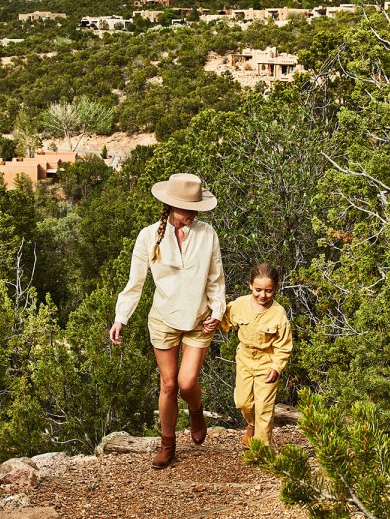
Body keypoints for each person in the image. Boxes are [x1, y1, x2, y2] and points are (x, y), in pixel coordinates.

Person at [109, 173, 226, 469]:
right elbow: (135, 282)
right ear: (170, 206)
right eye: (186, 207)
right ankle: (168, 444)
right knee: (169, 383)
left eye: (195, 208)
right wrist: (121, 317)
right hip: (163, 319)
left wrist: (216, 312)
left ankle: (196, 410)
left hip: (199, 319)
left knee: (187, 384)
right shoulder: (149, 236)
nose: (191, 213)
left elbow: (215, 279)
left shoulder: (207, 233)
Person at [219, 262, 293, 448]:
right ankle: (251, 425)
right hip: (244, 359)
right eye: (258, 289)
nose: (263, 295)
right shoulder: (239, 305)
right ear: (250, 285)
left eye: (268, 291)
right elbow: (224, 320)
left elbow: (283, 345)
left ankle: (262, 449)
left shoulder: (278, 314)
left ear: (275, 289)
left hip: (267, 363)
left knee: (264, 408)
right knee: (243, 402)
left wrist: (277, 367)